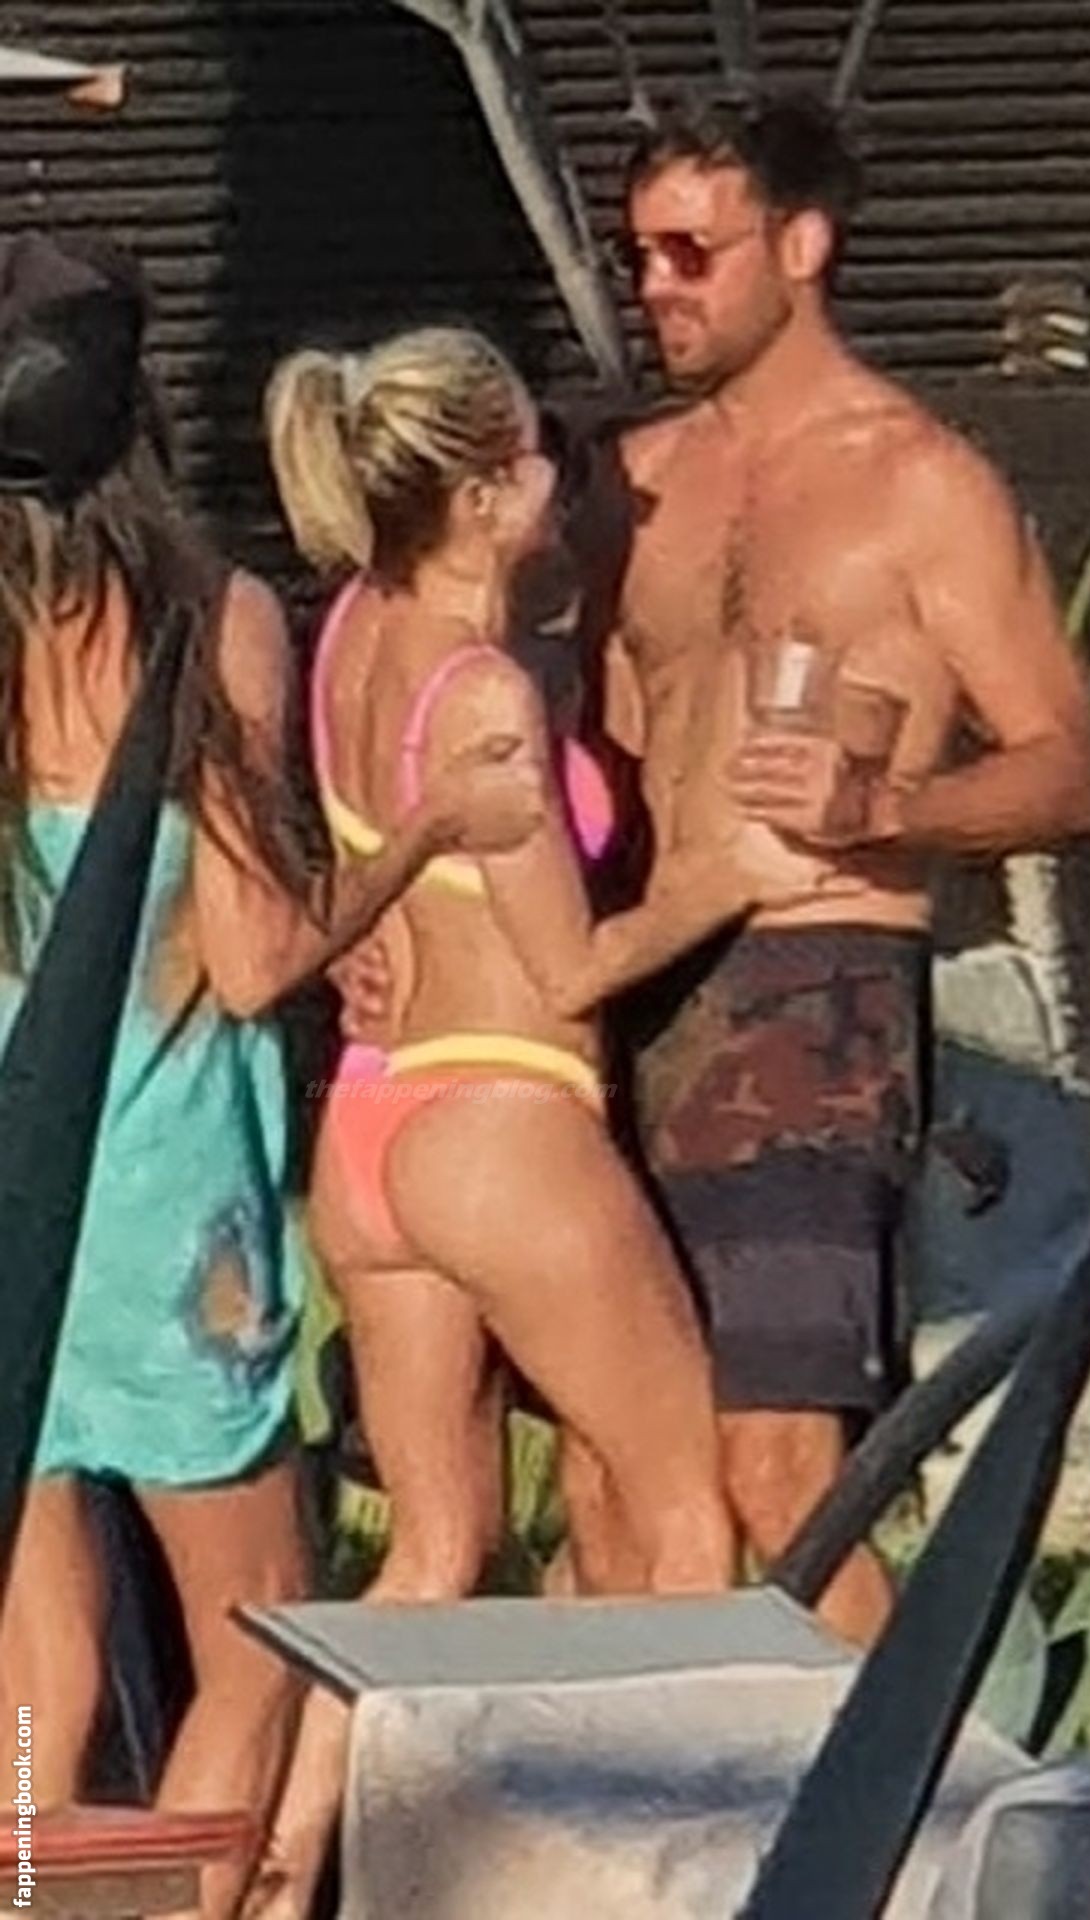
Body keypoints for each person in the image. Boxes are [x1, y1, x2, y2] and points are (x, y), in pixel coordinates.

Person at [0, 235, 544, 1920]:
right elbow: (250, 959)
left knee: (35, 1677)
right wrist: (425, 837)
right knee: (252, 1641)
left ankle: (26, 1891)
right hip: (164, 1203)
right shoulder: (205, 617)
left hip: (13, 1191)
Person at [252, 322, 805, 1918]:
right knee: (685, 1514)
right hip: (500, 1112)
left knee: (431, 1553)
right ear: (488, 493)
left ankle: (281, 1876)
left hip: (372, 1129)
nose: (562, 471)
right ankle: (679, 1879)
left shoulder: (349, 633)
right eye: (536, 453)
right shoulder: (479, 687)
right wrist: (725, 875)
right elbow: (567, 967)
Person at [557, 89, 1090, 1645]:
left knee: (777, 1468)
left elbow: (1070, 766)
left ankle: (899, 1777)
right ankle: (645, 1783)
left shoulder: (917, 479)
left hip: (814, 981)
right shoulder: (629, 483)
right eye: (638, 254)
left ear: (801, 246)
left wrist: (883, 803)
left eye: (691, 251)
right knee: (618, 1469)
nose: (655, 285)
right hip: (636, 970)